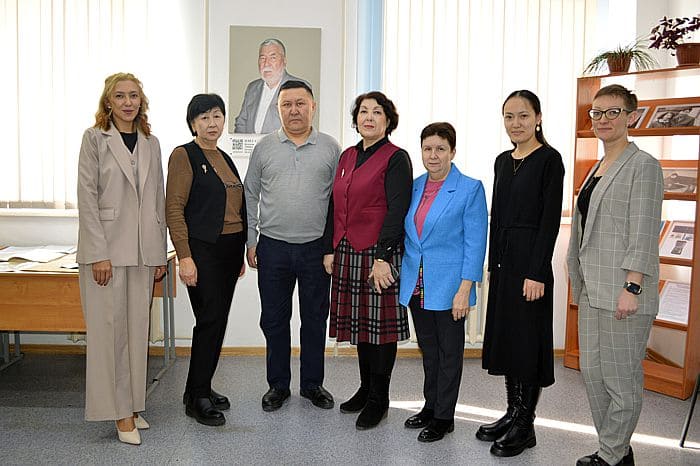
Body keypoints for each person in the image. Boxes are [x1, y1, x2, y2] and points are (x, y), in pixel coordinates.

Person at [567, 84, 663, 466]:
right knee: (593, 374)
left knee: (621, 380)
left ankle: (610, 455)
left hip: (624, 290)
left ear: (631, 117)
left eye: (613, 112)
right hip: (593, 289)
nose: (603, 119)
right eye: (597, 112)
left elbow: (644, 231)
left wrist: (632, 286)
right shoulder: (597, 166)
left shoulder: (644, 166)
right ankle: (618, 448)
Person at [76, 72, 167, 445]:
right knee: (110, 336)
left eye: (133, 96)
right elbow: (87, 198)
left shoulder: (150, 142)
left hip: (142, 253)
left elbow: (158, 200)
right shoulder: (94, 139)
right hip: (107, 254)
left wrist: (159, 254)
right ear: (108, 102)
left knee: (136, 332)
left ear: (141, 101)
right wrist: (98, 254)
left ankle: (131, 404)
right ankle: (118, 414)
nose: (128, 102)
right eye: (120, 96)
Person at [244, 80, 341, 412]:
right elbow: (250, 193)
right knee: (274, 319)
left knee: (314, 319)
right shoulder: (264, 148)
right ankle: (278, 385)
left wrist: (331, 247)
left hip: (316, 249)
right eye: (287, 104)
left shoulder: (330, 148)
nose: (294, 110)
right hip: (273, 248)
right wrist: (252, 240)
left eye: (301, 103)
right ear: (278, 109)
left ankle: (312, 384)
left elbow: (339, 201)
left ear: (313, 107)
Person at [478, 90, 565, 457]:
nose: (516, 123)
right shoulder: (502, 161)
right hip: (504, 265)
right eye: (509, 117)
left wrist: (537, 271)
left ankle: (525, 424)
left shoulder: (549, 160)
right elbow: (496, 216)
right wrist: (492, 263)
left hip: (531, 266)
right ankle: (512, 413)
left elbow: (550, 221)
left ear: (538, 118)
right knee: (509, 341)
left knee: (527, 345)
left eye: (523, 116)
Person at [323, 91, 413, 430]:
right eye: (363, 111)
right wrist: (330, 247)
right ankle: (365, 389)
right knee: (362, 325)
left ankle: (380, 398)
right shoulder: (347, 156)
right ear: (356, 119)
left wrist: (383, 257)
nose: (369, 117)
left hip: (378, 253)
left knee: (380, 330)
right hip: (347, 250)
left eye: (377, 112)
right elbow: (334, 204)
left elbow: (397, 209)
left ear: (388, 120)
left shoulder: (396, 158)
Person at [399, 122, 488, 442]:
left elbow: (475, 243)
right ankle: (430, 406)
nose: (433, 155)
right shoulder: (414, 186)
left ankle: (444, 417)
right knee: (429, 351)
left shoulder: (469, 188)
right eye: (427, 149)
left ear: (453, 151)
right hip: (417, 282)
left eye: (440, 149)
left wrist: (465, 289)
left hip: (451, 287)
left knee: (449, 353)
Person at [166, 94, 247, 427]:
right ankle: (197, 398)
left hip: (230, 249)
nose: (212, 123)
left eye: (217, 116)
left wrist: (239, 252)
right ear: (193, 123)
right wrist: (185, 257)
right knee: (209, 320)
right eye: (204, 118)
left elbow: (235, 208)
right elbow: (174, 208)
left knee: (216, 321)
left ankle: (198, 388)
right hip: (203, 251)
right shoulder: (184, 155)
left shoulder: (224, 157)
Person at [234, 38, 310, 134]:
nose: (266, 63)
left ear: (284, 61)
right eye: (262, 58)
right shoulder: (252, 87)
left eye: (272, 58)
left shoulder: (300, 88)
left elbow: (300, 129)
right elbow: (241, 122)